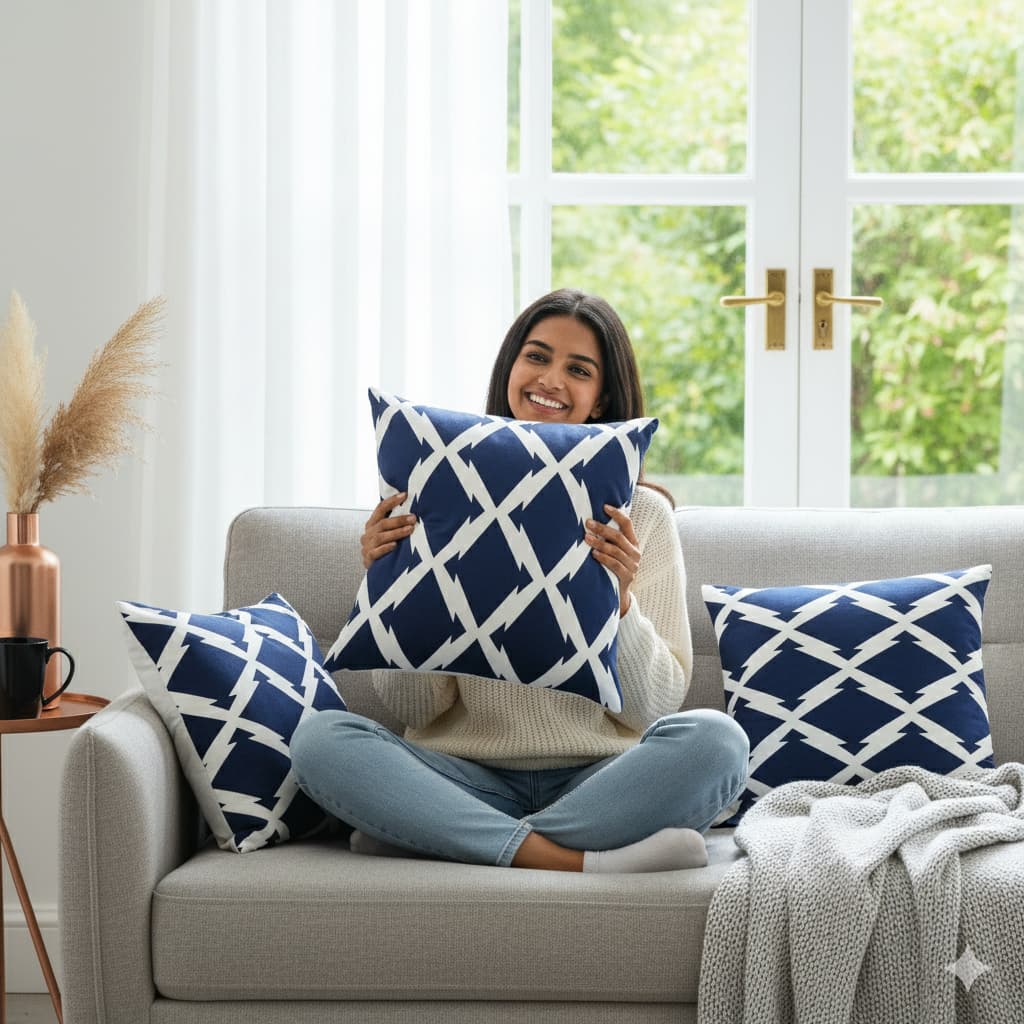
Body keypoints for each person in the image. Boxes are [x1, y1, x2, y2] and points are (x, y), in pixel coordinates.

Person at [291, 288, 749, 873]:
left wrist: (621, 601)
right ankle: (570, 858)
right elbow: (416, 707)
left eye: (578, 369)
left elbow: (653, 710)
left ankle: (436, 835)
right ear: (511, 367)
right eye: (536, 357)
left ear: (602, 394)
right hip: (464, 776)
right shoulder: (433, 491)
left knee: (718, 741)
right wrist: (390, 584)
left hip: (600, 780)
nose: (550, 379)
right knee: (321, 741)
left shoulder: (642, 516)